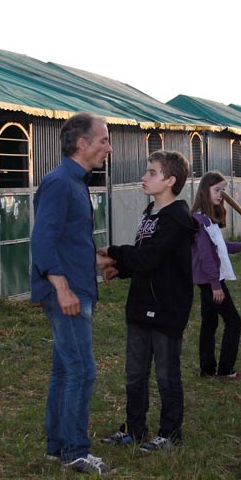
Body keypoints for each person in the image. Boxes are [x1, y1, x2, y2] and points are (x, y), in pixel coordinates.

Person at [30, 113, 116, 474]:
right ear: (82, 144)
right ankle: (76, 452)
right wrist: (62, 287)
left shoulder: (76, 181)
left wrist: (95, 259)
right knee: (82, 370)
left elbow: (65, 237)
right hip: (67, 293)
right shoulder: (60, 182)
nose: (108, 149)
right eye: (103, 141)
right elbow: (42, 239)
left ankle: (57, 445)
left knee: (65, 370)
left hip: (77, 285)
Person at [99, 150, 197, 453]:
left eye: (151, 172)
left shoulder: (178, 219)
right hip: (140, 306)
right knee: (135, 373)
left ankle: (169, 434)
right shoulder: (150, 214)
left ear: (170, 180)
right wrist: (123, 269)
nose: (144, 177)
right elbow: (146, 258)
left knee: (167, 374)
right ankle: (134, 428)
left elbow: (153, 256)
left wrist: (113, 252)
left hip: (167, 308)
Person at [191, 171, 241, 379]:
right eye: (217, 190)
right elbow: (205, 255)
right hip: (210, 280)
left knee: (209, 322)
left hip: (207, 279)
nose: (221, 194)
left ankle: (207, 368)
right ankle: (225, 369)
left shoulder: (208, 219)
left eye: (223, 190)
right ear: (205, 190)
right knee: (233, 321)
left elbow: (218, 246)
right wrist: (215, 285)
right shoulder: (199, 220)